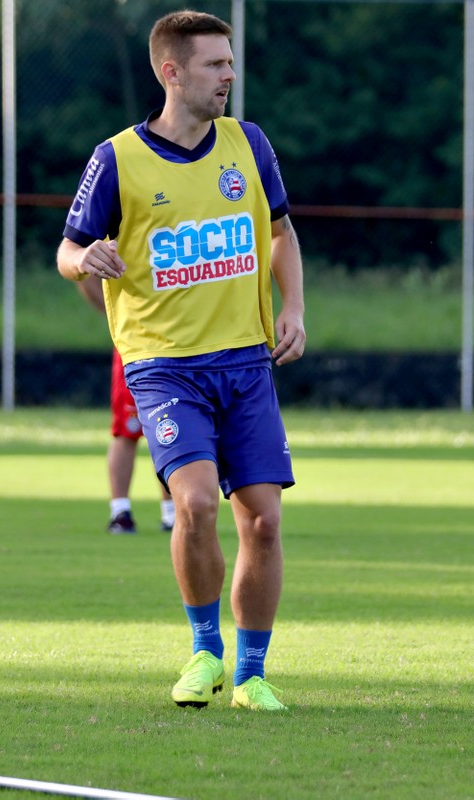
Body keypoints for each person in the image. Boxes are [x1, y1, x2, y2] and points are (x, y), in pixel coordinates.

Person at [55, 10, 306, 712]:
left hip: (246, 364)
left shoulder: (248, 145)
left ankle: (252, 675)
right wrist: (86, 259)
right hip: (163, 366)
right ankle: (205, 654)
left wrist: (293, 310)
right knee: (194, 504)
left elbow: (282, 234)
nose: (229, 75)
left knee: (263, 520)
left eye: (230, 62)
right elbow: (66, 250)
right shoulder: (116, 159)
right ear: (172, 71)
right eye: (214, 64)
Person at [74, 278, 176, 535]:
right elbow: (82, 270)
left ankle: (174, 512)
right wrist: (115, 313)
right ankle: (120, 510)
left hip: (179, 343)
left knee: (174, 427)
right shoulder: (121, 238)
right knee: (127, 429)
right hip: (136, 345)